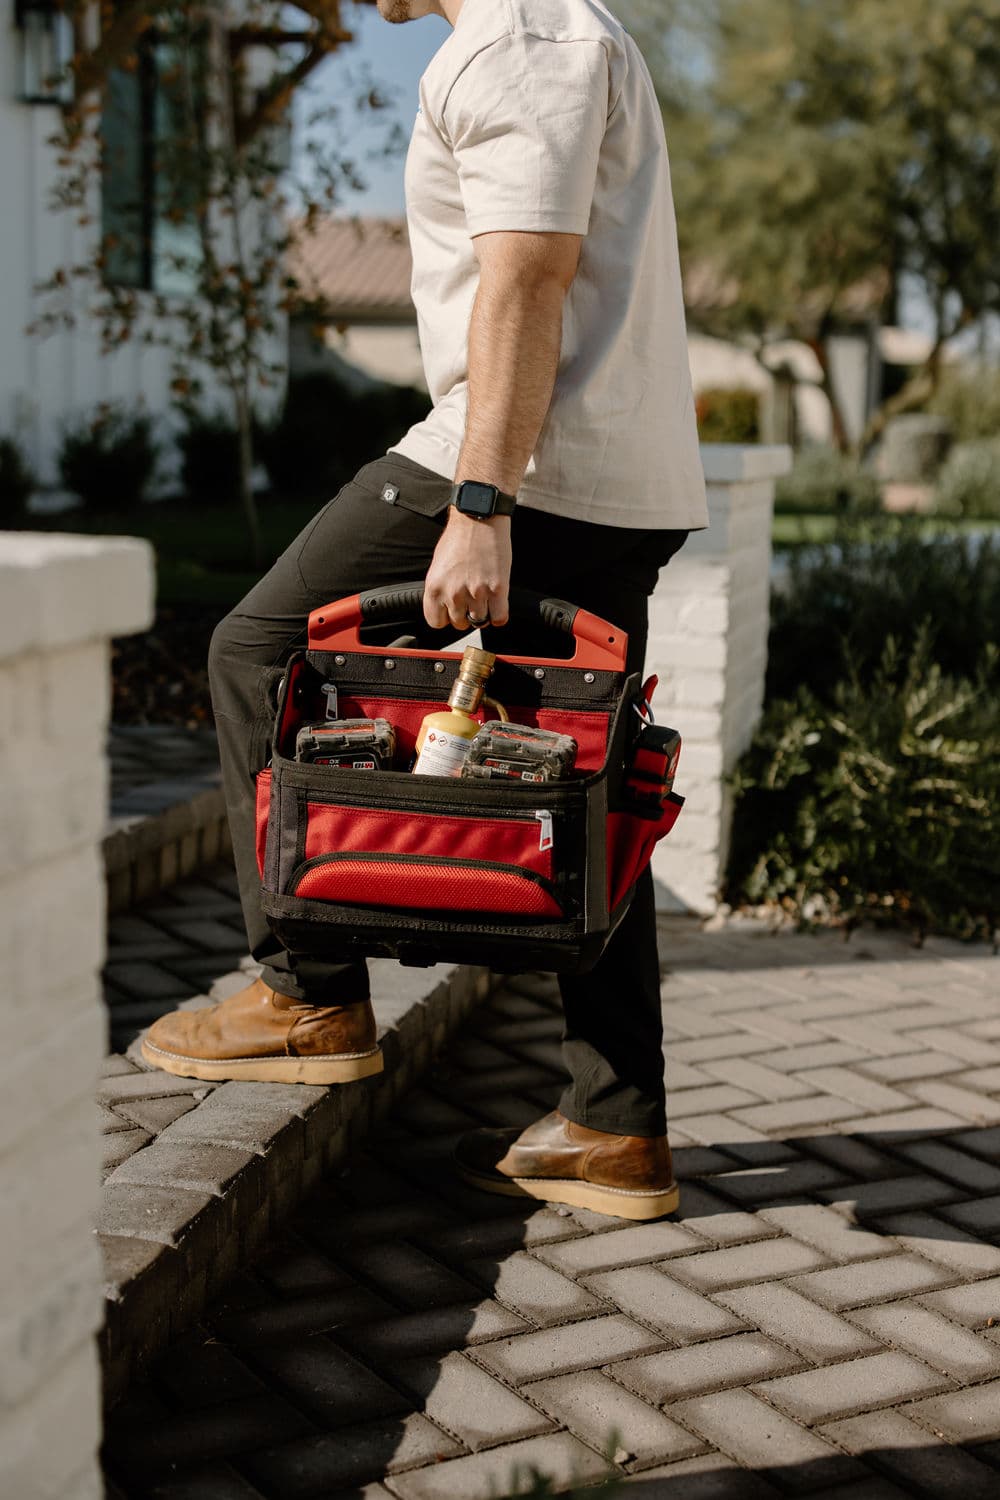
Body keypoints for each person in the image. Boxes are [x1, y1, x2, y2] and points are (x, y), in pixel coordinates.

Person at [141, 0, 709, 1221]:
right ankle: (615, 1126)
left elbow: (526, 277)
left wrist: (479, 501)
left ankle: (306, 993)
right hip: (609, 474)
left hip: (522, 464)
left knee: (256, 647)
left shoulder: (519, 38)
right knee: (588, 789)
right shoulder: (563, 28)